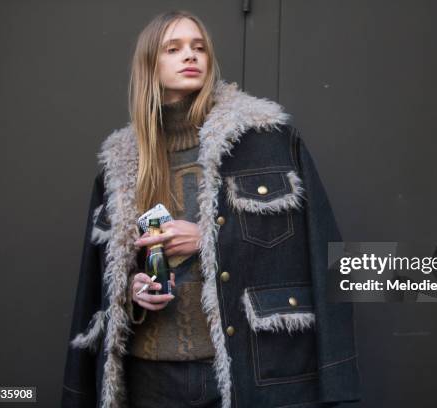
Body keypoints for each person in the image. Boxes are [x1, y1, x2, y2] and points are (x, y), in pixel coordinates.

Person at [61, 9, 361, 408]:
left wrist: (210, 240)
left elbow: (327, 255)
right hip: (148, 379)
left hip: (242, 376)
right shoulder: (119, 163)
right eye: (174, 48)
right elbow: (95, 286)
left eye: (198, 47)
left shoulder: (266, 141)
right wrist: (131, 294)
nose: (191, 56)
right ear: (150, 64)